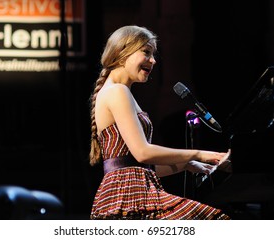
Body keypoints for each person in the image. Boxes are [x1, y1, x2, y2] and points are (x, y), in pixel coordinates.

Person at [88, 25, 230, 220]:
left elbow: (136, 166)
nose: (153, 60)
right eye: (146, 52)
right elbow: (143, 152)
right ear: (122, 53)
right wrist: (199, 154)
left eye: (153, 54)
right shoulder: (117, 91)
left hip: (126, 195)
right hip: (129, 199)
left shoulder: (118, 91)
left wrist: (187, 164)